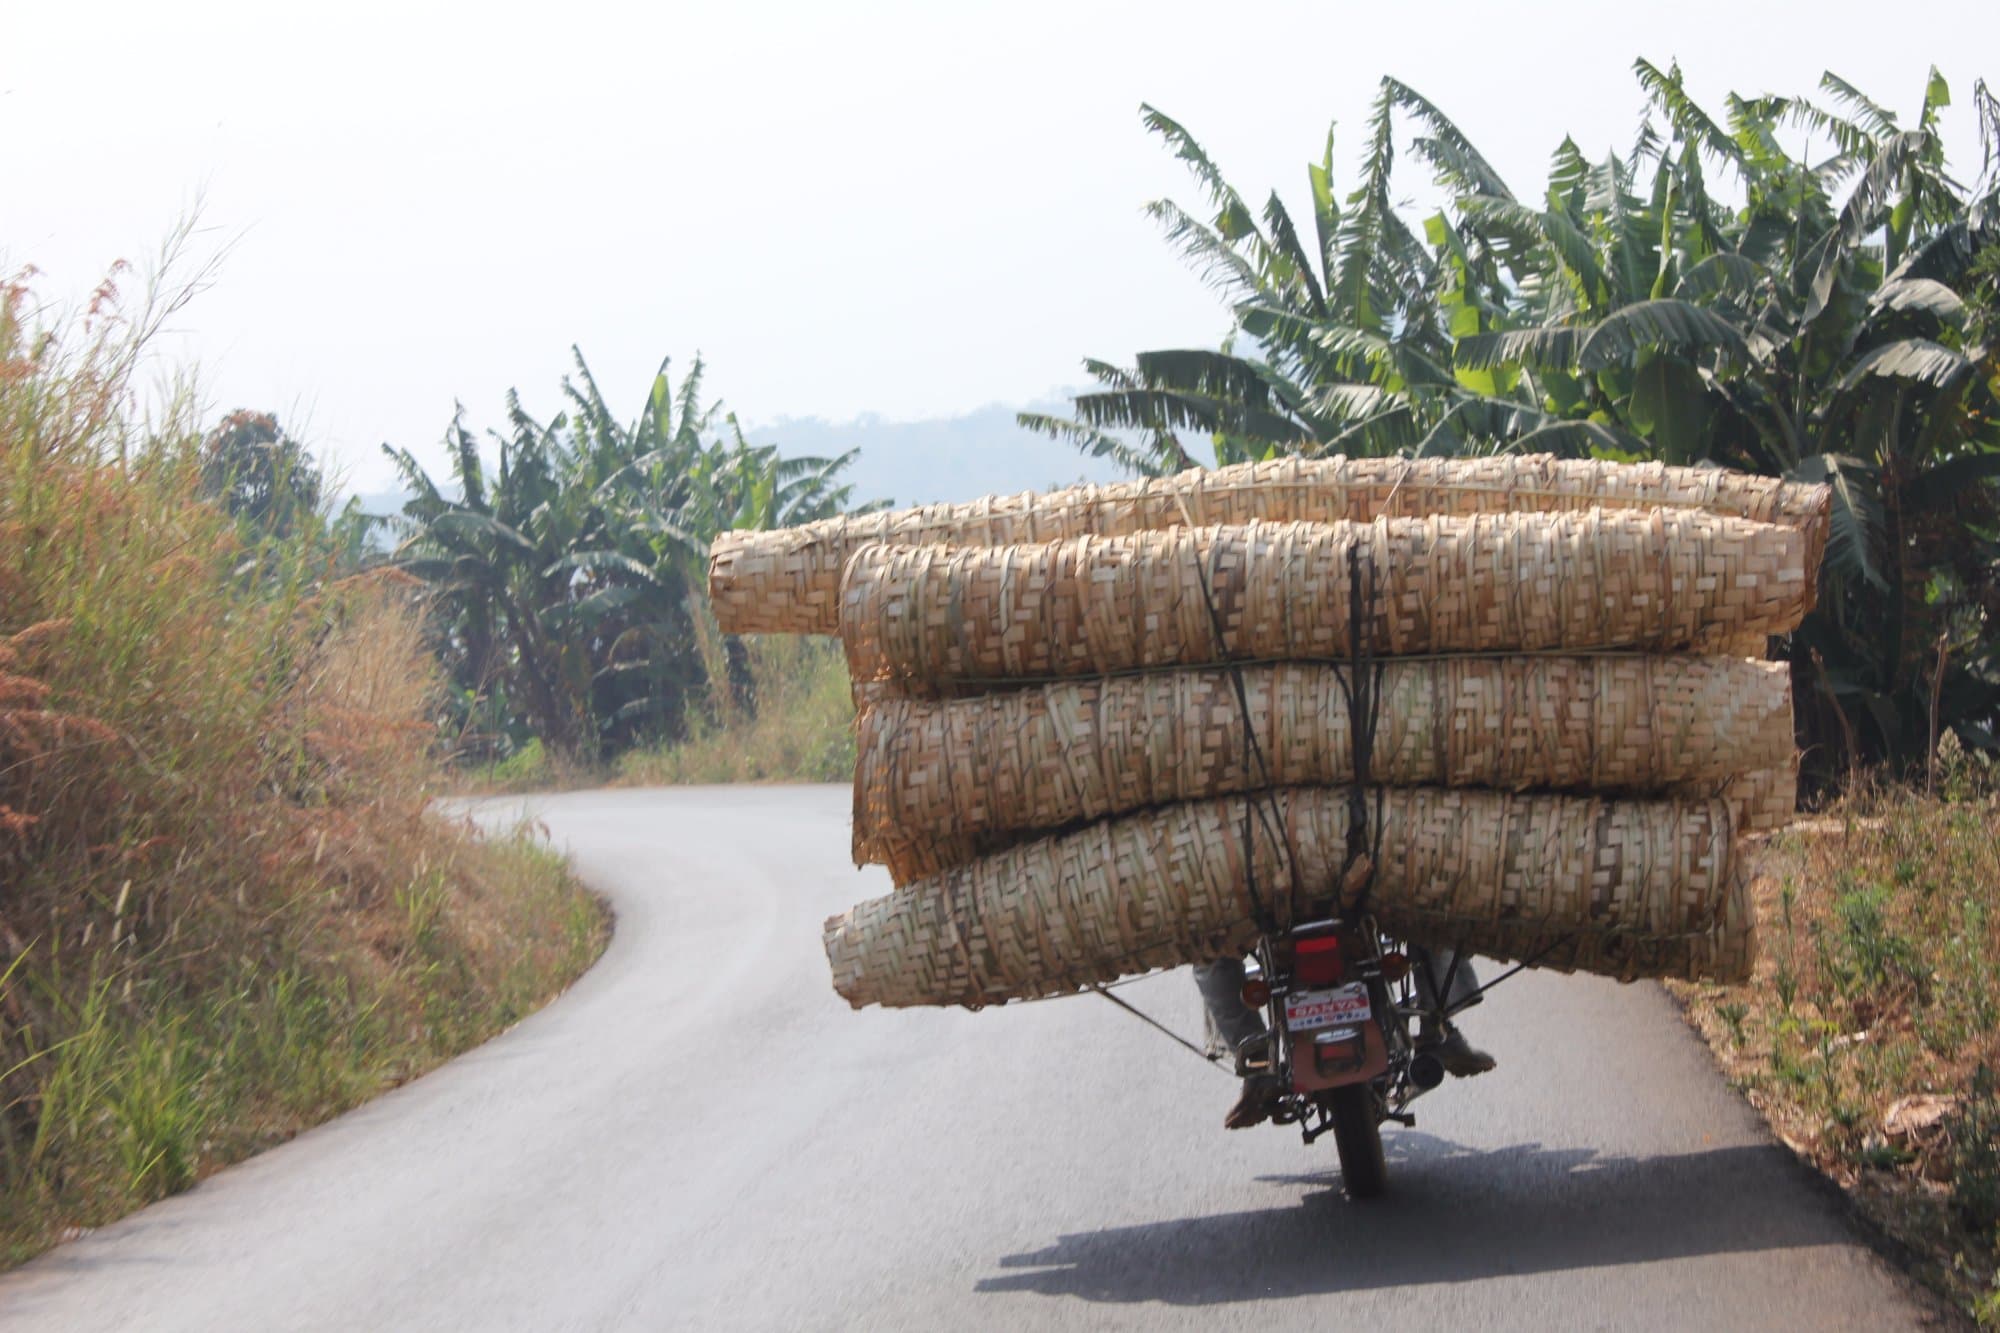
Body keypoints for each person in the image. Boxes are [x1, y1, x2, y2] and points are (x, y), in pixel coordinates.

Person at [1195, 946, 1496, 1130]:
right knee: (1429, 901)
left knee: (1208, 951)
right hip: (1347, 880)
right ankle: (1438, 1029)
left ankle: (1259, 1064)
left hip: (1267, 895)